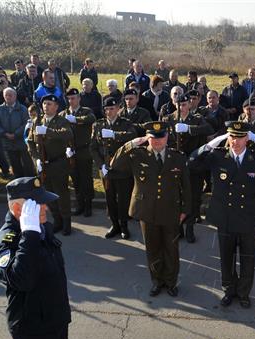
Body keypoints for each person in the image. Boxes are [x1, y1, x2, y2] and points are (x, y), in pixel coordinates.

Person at [0, 177, 71, 339]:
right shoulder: (7, 240)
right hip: (33, 326)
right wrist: (29, 235)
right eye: (38, 204)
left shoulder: (42, 227)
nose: (45, 207)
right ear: (17, 208)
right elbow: (22, 280)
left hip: (55, 318)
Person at [188, 121, 255, 308]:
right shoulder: (217, 157)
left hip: (249, 217)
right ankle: (229, 290)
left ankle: (243, 293)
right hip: (225, 216)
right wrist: (210, 144)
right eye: (232, 137)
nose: (236, 141)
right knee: (227, 257)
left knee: (247, 258)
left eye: (240, 137)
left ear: (247, 138)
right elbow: (192, 163)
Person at [110, 122, 192, 296]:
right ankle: (157, 281)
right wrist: (133, 143)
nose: (157, 142)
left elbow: (186, 185)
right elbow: (115, 164)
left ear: (167, 137)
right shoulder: (137, 155)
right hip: (146, 210)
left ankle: (170, 282)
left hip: (171, 210)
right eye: (153, 138)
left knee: (171, 248)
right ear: (147, 138)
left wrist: (185, 209)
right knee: (152, 248)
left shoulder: (177, 157)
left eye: (160, 137)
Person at [164, 93, 214, 242]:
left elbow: (208, 129)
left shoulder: (197, 119)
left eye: (185, 105)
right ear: (175, 105)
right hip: (175, 165)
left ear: (189, 105)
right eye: (179, 105)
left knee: (193, 197)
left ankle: (190, 227)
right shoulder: (168, 119)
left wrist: (188, 128)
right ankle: (178, 227)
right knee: (176, 197)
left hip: (193, 165)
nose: (182, 108)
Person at [91, 97, 138, 239]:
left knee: (123, 199)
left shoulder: (125, 123)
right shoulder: (98, 125)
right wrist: (101, 165)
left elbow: (133, 135)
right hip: (106, 169)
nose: (109, 112)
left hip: (122, 168)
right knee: (110, 199)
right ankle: (114, 225)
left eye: (112, 109)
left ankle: (124, 226)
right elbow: (93, 147)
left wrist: (114, 134)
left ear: (118, 109)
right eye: (106, 109)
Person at [27, 94, 74, 235]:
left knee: (61, 194)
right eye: (44, 104)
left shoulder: (61, 121)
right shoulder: (37, 121)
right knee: (48, 194)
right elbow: (30, 142)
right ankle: (57, 220)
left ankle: (66, 222)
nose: (46, 106)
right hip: (43, 165)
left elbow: (68, 134)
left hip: (58, 163)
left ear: (56, 106)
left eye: (49, 104)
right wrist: (36, 159)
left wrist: (48, 131)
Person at [61, 88, 96, 217]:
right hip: (70, 152)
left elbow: (91, 118)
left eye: (74, 98)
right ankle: (80, 204)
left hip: (84, 150)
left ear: (79, 98)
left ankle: (88, 206)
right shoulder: (63, 113)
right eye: (69, 98)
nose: (71, 101)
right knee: (75, 179)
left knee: (86, 179)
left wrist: (75, 120)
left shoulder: (86, 111)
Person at [0, 87, 32, 178]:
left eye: (10, 95)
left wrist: (16, 134)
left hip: (22, 142)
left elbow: (26, 123)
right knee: (15, 165)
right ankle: (19, 183)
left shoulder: (23, 109)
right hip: (8, 142)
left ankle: (31, 182)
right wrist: (4, 133)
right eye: (6, 95)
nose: (8, 97)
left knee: (27, 164)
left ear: (15, 96)